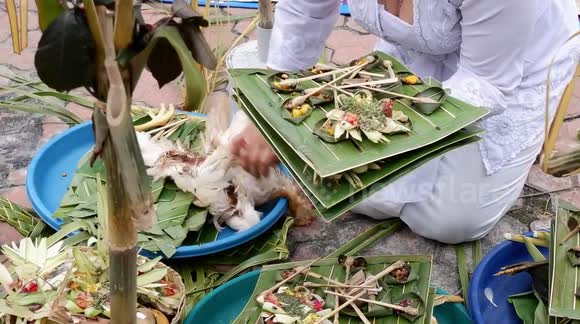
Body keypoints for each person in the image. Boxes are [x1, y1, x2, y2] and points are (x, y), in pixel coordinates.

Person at [230, 0, 579, 244]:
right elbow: (304, 12)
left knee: (452, 221)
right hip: (421, 50)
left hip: (509, 61)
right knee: (344, 188)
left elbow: (486, 79)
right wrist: (271, 112)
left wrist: (381, 133)